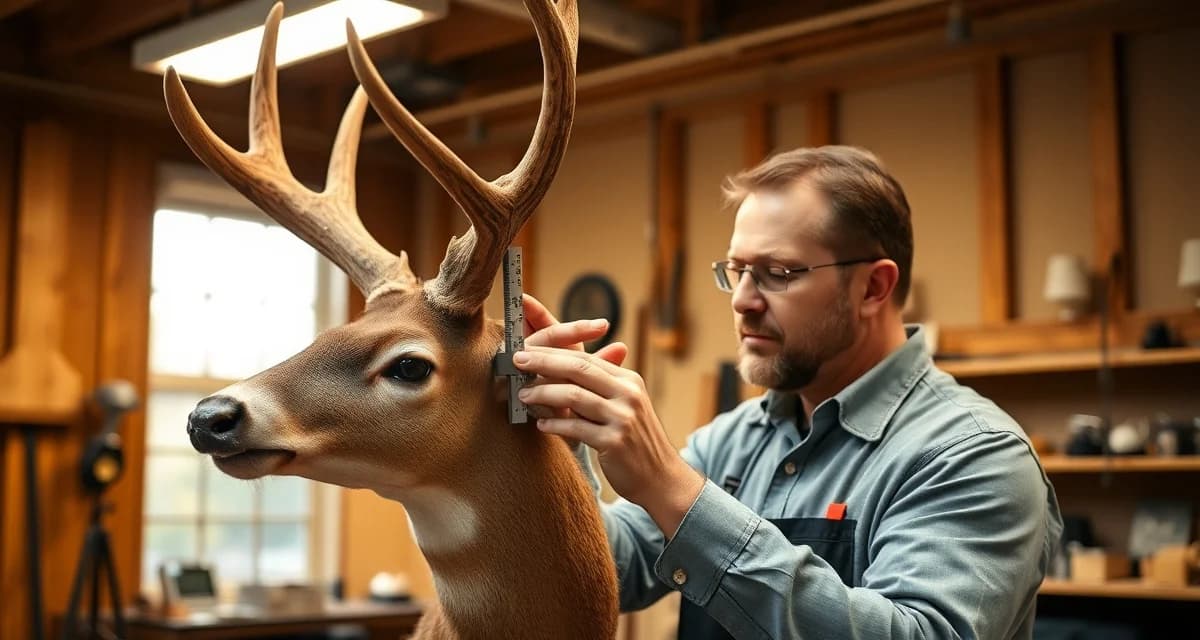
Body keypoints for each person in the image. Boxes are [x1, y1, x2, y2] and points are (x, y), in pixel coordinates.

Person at [512, 145, 1063, 639]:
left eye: (777, 272)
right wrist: (557, 454)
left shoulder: (973, 455)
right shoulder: (734, 442)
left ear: (874, 286)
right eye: (737, 270)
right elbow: (611, 570)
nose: (742, 300)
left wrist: (672, 490)